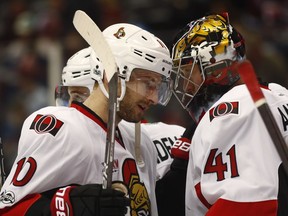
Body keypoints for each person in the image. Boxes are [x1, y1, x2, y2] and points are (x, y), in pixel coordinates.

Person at [0, 23, 173, 216]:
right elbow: (9, 210)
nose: (154, 98)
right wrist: (65, 206)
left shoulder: (142, 142)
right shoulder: (61, 129)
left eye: (157, 86)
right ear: (111, 75)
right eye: (147, 83)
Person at [170, 12, 288, 215]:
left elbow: (247, 205)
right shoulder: (280, 93)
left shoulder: (230, 114)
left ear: (215, 67)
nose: (186, 86)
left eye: (189, 72)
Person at [55, 45, 188, 215]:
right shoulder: (61, 132)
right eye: (72, 97)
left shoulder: (159, 138)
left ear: (104, 87)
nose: (74, 106)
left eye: (81, 96)